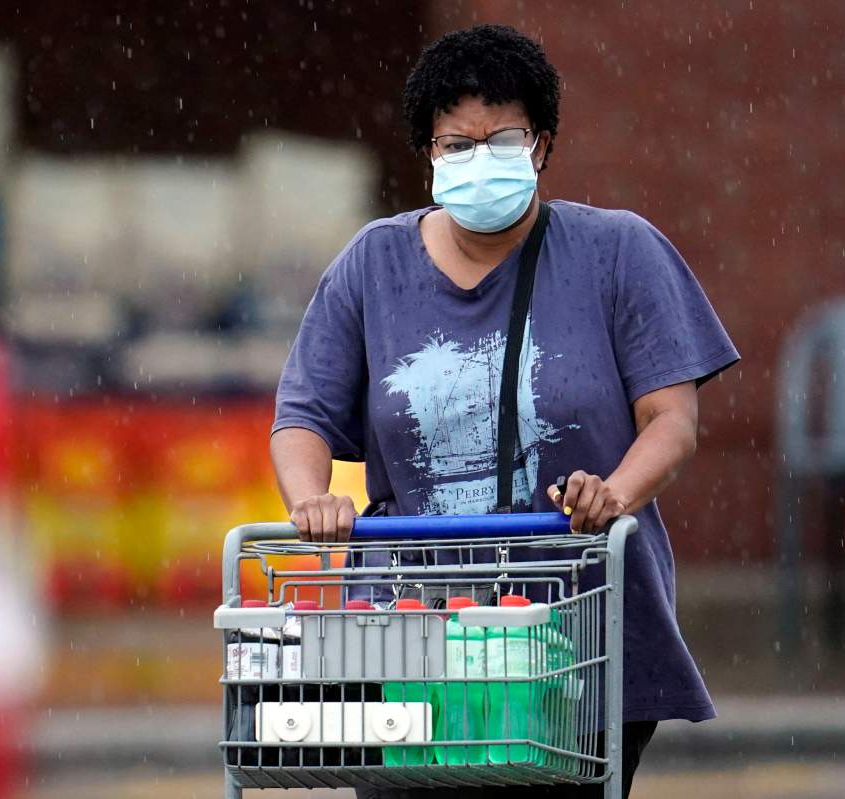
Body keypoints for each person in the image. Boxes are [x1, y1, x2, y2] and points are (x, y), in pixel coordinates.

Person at [269, 24, 739, 799]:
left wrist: (613, 492)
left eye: (503, 137)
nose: (479, 158)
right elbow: (303, 416)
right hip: (414, 635)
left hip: (576, 631)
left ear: (543, 143)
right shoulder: (371, 267)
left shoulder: (618, 253)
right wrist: (312, 498)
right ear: (427, 152)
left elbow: (671, 421)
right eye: (457, 143)